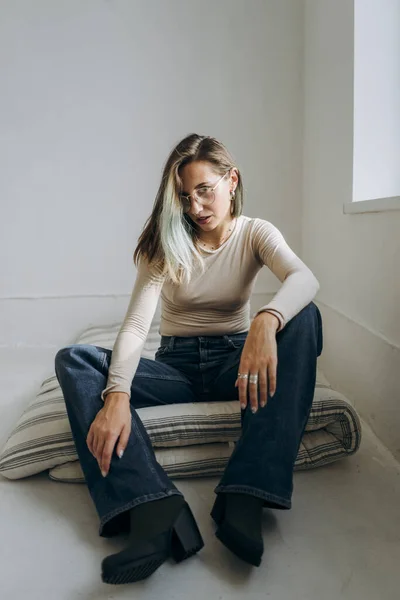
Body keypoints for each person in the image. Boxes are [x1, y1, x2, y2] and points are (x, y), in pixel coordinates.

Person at [55, 133, 323, 585]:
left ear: (231, 180)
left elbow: (304, 277)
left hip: (234, 364)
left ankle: (246, 493)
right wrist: (117, 393)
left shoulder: (255, 232)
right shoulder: (166, 243)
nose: (196, 207)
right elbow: (138, 328)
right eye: (184, 196)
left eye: (205, 190)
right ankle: (154, 507)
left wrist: (265, 321)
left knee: (306, 318)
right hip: (174, 368)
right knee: (74, 361)